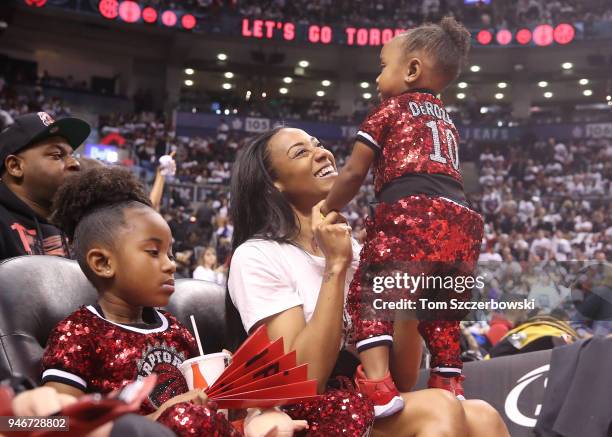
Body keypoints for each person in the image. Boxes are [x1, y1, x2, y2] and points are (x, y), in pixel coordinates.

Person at [227, 128, 509, 436]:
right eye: (301, 152)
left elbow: (401, 377)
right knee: (439, 407)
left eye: (318, 143)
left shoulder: (360, 253)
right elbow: (302, 381)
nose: (322, 153)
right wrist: (336, 267)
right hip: (303, 416)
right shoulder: (257, 256)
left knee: (484, 416)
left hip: (361, 402)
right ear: (273, 184)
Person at [41, 166, 302, 437]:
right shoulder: (78, 333)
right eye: (154, 252)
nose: (170, 265)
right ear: (103, 262)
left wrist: (231, 388)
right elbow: (48, 424)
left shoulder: (175, 328)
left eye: (171, 253)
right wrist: (162, 415)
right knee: (186, 417)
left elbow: (205, 403)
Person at [320, 16, 483, 416]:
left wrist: (327, 207)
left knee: (374, 296)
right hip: (462, 220)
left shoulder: (389, 110)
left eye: (382, 65)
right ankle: (449, 382)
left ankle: (377, 385)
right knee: (441, 310)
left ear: (411, 70)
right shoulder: (446, 120)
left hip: (413, 212)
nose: (377, 77)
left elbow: (354, 173)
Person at [0, 112, 89, 260]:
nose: (75, 163)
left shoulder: (78, 223)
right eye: (57, 155)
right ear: (15, 166)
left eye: (72, 155)